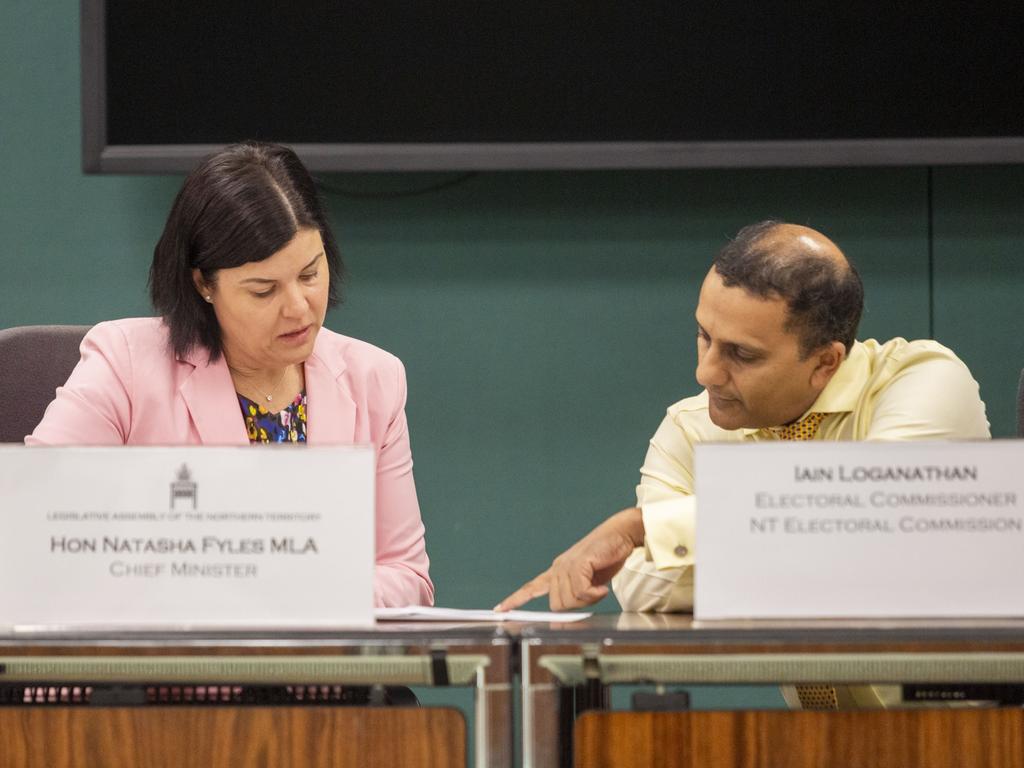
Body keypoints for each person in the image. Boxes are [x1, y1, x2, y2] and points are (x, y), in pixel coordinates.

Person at [496, 220, 989, 614]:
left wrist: (643, 526)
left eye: (742, 355)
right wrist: (822, 551)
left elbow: (868, 506)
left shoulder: (927, 379)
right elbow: (643, 583)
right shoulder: (691, 428)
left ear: (825, 363)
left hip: (965, 727)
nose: (704, 373)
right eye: (704, 336)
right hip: (811, 736)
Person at [28, 141, 432, 608]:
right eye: (264, 290)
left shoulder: (373, 379)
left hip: (324, 674)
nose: (299, 308)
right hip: (163, 673)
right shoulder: (123, 366)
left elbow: (407, 578)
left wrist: (298, 597)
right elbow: (35, 528)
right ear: (203, 283)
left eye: (309, 274)